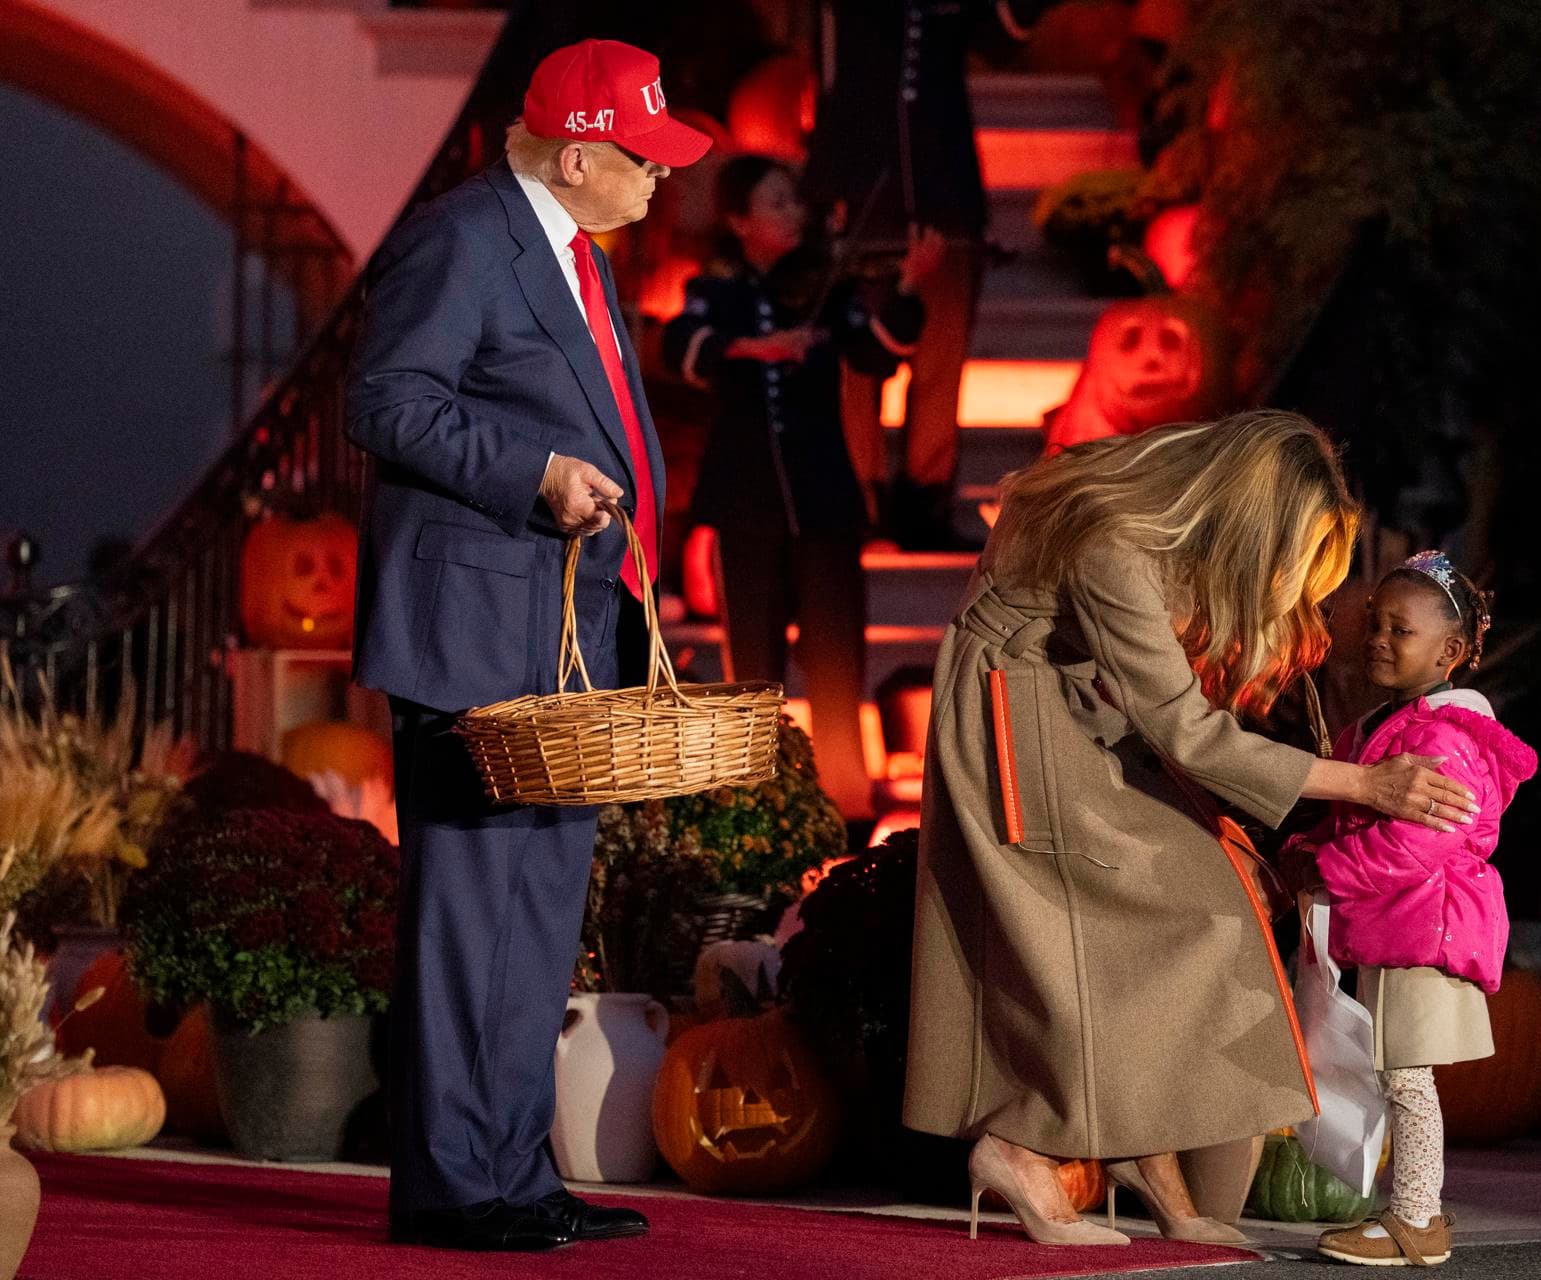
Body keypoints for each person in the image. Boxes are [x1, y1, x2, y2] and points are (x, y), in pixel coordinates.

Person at [903, 412, 1482, 1246]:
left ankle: (1144, 1148)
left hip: (1076, 712)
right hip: (1016, 721)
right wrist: (1365, 783)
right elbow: (1187, 731)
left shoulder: (1148, 532)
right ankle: (1021, 1148)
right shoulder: (1114, 548)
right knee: (1124, 914)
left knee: (1214, 885)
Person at [346, 40, 712, 1251]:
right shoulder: (463, 239)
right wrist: (534, 472)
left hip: (559, 636)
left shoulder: (574, 253)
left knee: (536, 921)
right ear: (576, 155)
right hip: (470, 633)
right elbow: (386, 398)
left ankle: (513, 1172)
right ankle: (453, 1187)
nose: (660, 177)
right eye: (643, 157)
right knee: (468, 920)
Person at [662, 156, 943, 821]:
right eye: (777, 203)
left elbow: (875, 352)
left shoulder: (829, 288)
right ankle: (754, 804)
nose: (795, 213)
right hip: (745, 502)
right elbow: (682, 345)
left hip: (825, 501)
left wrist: (906, 286)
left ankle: (846, 801)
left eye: (794, 201)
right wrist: (749, 349)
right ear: (739, 221)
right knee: (751, 665)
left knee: (837, 659)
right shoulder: (715, 291)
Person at [1284, 551, 1536, 1267]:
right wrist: (1306, 850)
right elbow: (1354, 815)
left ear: (1450, 652)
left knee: (1406, 1076)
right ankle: (1409, 1211)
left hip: (1427, 925)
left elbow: (1419, 842)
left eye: (1401, 630)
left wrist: (1327, 869)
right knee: (1396, 1071)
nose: (1378, 640)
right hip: (1393, 922)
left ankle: (1417, 1219)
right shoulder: (1382, 724)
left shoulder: (1446, 736)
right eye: (1375, 624)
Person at [801, 0, 1058, 549]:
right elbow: (828, 70)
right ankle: (859, 503)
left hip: (946, 188)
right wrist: (828, 186)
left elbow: (999, 39)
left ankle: (925, 502)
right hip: (863, 187)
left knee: (941, 355)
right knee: (857, 360)